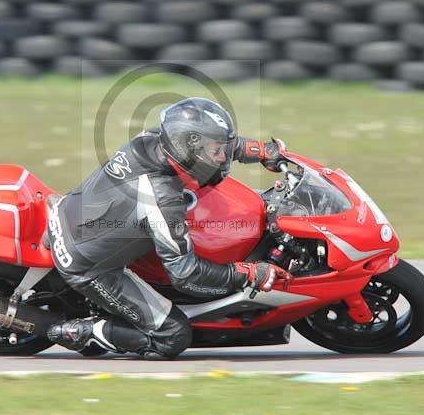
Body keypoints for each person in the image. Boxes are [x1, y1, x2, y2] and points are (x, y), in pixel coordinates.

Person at [45, 97, 293, 359]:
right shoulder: (161, 197)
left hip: (70, 210)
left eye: (222, 148)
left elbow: (204, 141)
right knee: (174, 335)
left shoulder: (155, 138)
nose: (222, 156)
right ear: (188, 149)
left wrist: (260, 150)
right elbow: (185, 275)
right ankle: (85, 332)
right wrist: (248, 273)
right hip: (88, 266)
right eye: (216, 150)